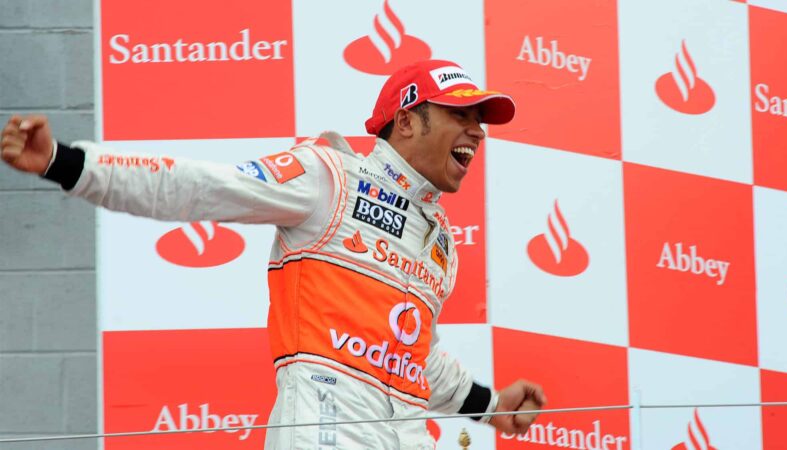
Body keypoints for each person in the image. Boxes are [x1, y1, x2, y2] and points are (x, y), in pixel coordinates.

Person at [1, 59, 545, 449]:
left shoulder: (441, 242)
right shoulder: (328, 175)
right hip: (326, 424)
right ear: (405, 121)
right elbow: (200, 186)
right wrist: (65, 162)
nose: (477, 130)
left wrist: (491, 407)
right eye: (461, 114)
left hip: (408, 434)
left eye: (481, 119)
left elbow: (415, 356)